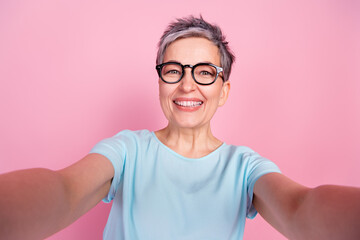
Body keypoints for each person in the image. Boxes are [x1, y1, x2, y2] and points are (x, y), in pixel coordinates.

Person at [0, 16, 359, 240]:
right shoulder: (128, 150)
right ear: (160, 82)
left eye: (204, 72)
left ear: (224, 91)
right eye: (174, 70)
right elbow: (64, 191)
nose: (187, 85)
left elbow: (300, 207)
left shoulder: (244, 167)